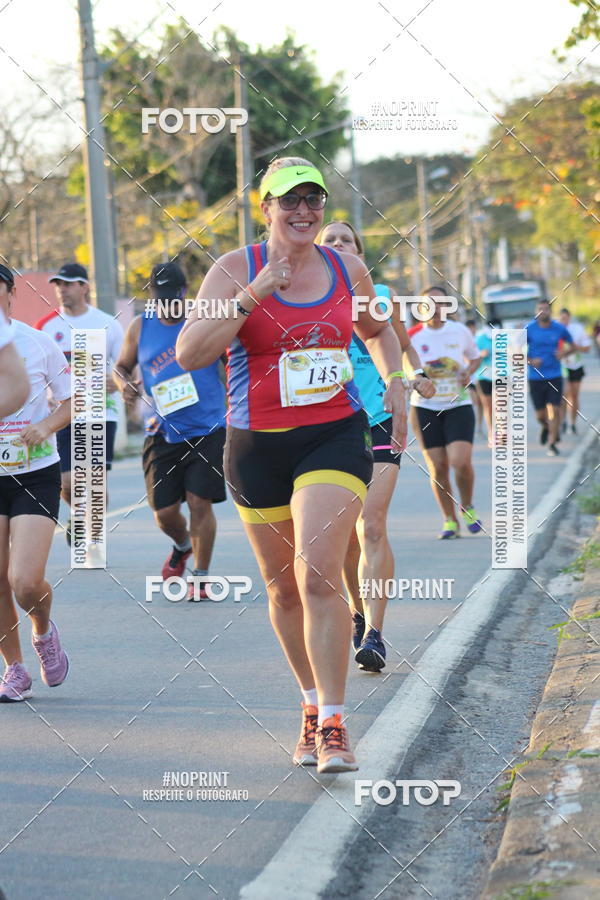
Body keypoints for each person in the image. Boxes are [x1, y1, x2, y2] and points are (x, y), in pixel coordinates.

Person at [176, 157, 408, 774]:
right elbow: (190, 351)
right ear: (265, 207)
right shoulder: (233, 269)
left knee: (319, 574)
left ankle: (334, 722)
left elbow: (379, 333)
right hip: (256, 446)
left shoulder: (346, 267)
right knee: (282, 589)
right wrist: (256, 294)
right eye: (289, 200)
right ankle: (308, 705)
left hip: (333, 436)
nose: (303, 211)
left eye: (314, 199)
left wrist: (396, 383)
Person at [318, 220, 435, 673]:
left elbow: (402, 345)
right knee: (345, 535)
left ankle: (375, 634)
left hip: (382, 417)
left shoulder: (379, 295)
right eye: (330, 241)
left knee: (371, 526)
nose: (338, 245)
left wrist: (413, 377)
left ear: (360, 252)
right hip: (331, 422)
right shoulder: (311, 297)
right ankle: (357, 609)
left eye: (346, 240)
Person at [113, 262, 227, 600]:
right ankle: (181, 545)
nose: (166, 305)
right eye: (159, 298)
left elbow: (229, 365)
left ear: (184, 294)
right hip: (160, 430)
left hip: (207, 426)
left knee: (199, 502)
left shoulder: (204, 321)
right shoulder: (139, 327)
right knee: (163, 513)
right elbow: (121, 367)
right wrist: (124, 385)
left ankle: (201, 577)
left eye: (172, 298)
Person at [0, 264, 71, 702]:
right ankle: (14, 669)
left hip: (33, 472)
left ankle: (43, 630)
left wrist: (46, 426)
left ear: (10, 294)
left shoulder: (37, 342)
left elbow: (72, 400)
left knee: (24, 581)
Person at [35, 263, 124, 544]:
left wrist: (118, 380)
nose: (62, 289)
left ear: (84, 287)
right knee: (69, 483)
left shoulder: (108, 323)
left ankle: (93, 542)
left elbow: (124, 368)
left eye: (69, 283)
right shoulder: (46, 327)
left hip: (100, 412)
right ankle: (78, 515)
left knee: (95, 482)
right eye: (58, 284)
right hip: (62, 413)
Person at [408, 286, 483, 539]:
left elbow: (475, 358)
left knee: (460, 462)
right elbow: (402, 368)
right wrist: (416, 379)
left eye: (440, 303)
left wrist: (467, 371)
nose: (435, 309)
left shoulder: (459, 331)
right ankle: (449, 520)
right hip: (425, 408)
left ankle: (468, 506)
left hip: (457, 404)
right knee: (438, 467)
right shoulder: (412, 336)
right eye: (429, 304)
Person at [524, 299, 573, 456]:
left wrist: (564, 353)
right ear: (535, 311)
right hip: (535, 377)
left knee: (554, 408)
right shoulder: (529, 329)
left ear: (550, 311)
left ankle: (552, 443)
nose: (543, 312)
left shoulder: (559, 328)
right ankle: (546, 427)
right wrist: (531, 361)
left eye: (546, 309)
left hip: (554, 375)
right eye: (540, 309)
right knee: (540, 415)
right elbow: (514, 351)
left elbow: (573, 345)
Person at [0, 266, 29, 417]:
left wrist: (47, 426)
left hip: (20, 439)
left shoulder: (36, 339)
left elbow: (19, 388)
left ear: (12, 293)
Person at [558, 308, 591, 434]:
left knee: (574, 396)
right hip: (562, 368)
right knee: (564, 396)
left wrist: (575, 348)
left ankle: (572, 423)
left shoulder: (577, 329)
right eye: (561, 319)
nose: (564, 321)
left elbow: (587, 347)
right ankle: (562, 422)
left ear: (569, 318)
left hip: (576, 366)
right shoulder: (556, 330)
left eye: (566, 319)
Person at [474, 317, 503, 447]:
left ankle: (502, 431)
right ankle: (492, 433)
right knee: (488, 406)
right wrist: (481, 354)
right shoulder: (480, 338)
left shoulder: (504, 338)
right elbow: (471, 355)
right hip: (483, 376)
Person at [465, 318, 484, 433]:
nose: (472, 330)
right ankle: (470, 424)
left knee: (481, 403)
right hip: (468, 378)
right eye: (469, 328)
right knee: (473, 401)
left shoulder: (479, 339)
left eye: (473, 328)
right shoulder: (462, 340)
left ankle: (479, 425)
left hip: (479, 376)